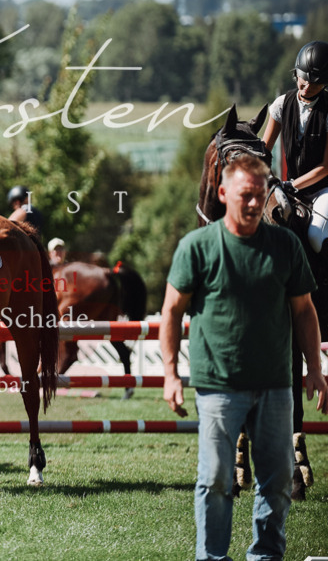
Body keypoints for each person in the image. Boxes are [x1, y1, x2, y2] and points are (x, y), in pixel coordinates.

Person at [159, 153, 327, 561]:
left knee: (277, 479)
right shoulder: (197, 247)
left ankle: (265, 556)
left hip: (275, 385)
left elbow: (304, 310)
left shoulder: (285, 244)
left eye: (260, 195)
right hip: (218, 385)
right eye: (245, 195)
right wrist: (170, 374)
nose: (254, 204)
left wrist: (315, 370)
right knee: (215, 479)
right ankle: (212, 558)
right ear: (223, 193)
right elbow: (171, 311)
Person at [261, 40, 328, 253]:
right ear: (296, 73)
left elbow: (325, 167)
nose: (307, 87)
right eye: (304, 80)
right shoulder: (281, 104)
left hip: (322, 190)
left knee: (316, 236)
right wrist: (268, 182)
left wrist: (292, 185)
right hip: (288, 187)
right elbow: (264, 150)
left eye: (315, 83)